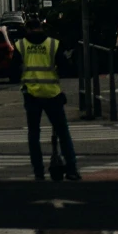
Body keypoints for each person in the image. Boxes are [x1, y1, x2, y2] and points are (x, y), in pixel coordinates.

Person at [10, 14, 79, 182]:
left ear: (27, 28)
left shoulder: (21, 45)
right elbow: (66, 68)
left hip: (31, 95)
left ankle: (39, 172)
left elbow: (12, 72)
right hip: (52, 94)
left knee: (34, 134)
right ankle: (72, 170)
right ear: (41, 27)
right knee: (63, 133)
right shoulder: (53, 44)